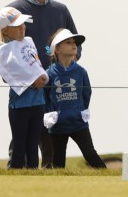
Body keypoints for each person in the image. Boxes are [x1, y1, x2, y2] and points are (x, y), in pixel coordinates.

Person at [0, 0, 79, 169]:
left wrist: (63, 64)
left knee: (50, 143)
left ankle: (47, 185)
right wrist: (24, 74)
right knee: (22, 139)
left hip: (54, 86)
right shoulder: (13, 10)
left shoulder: (61, 10)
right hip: (25, 91)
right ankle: (16, 177)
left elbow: (76, 46)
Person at [0, 7, 48, 169]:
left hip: (38, 102)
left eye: (23, 24)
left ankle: (32, 177)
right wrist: (33, 81)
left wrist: (42, 77)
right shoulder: (3, 50)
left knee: (32, 145)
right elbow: (9, 74)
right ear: (5, 30)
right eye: (17, 26)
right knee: (19, 146)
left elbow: (36, 65)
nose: (22, 27)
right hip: (19, 105)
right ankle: (15, 179)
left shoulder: (28, 42)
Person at [44, 28, 105, 169]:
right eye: (68, 42)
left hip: (78, 123)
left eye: (74, 43)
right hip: (58, 126)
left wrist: (80, 111)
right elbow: (45, 97)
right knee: (58, 163)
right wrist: (52, 115)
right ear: (57, 49)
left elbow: (87, 93)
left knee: (90, 155)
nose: (74, 45)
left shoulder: (81, 72)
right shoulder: (49, 74)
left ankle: (110, 180)